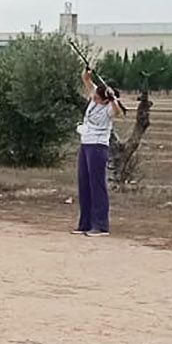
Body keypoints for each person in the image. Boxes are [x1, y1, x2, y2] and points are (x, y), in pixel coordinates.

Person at [73, 71, 123, 235]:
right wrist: (87, 73)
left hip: (98, 147)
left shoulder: (109, 108)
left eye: (98, 98)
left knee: (97, 185)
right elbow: (86, 80)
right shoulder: (95, 95)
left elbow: (117, 112)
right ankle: (85, 223)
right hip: (85, 144)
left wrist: (113, 98)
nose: (93, 99)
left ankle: (100, 225)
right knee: (84, 184)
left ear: (106, 99)